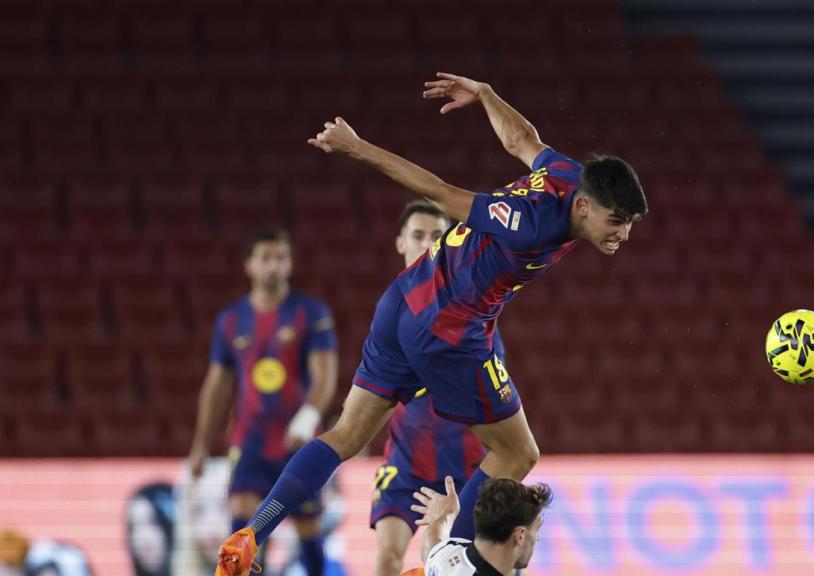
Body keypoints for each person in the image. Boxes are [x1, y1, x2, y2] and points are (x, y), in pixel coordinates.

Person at [214, 71, 646, 576]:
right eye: (617, 222)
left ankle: (250, 535)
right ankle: (446, 564)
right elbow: (440, 193)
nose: (624, 235)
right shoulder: (530, 225)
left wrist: (486, 94)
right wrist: (359, 149)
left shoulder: (571, 175)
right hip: (450, 328)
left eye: (631, 223)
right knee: (516, 452)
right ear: (586, 207)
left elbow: (522, 140)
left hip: (402, 300)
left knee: (347, 434)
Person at [189, 227, 339, 576]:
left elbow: (326, 374)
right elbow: (217, 386)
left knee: (309, 535)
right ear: (249, 265)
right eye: (266, 258)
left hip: (298, 440)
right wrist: (199, 445)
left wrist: (309, 415)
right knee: (245, 528)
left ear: (290, 264)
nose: (274, 266)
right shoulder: (230, 321)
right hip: (250, 439)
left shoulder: (310, 313)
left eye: (281, 258)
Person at [373, 200, 487, 576]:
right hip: (407, 464)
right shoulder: (389, 311)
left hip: (466, 467)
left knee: (481, 561)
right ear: (400, 243)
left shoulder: (474, 309)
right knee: (389, 554)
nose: (426, 244)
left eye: (436, 236)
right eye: (418, 235)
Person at [404, 476, 551, 576]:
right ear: (521, 535)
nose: (537, 538)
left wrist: (447, 514)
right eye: (536, 529)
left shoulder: (449, 551)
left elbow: (433, 541)